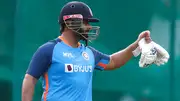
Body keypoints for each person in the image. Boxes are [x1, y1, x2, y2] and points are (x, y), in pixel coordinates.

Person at [21, 1, 152, 101]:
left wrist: (137, 45)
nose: (89, 27)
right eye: (86, 22)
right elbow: (30, 79)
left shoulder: (89, 53)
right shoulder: (49, 50)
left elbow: (113, 61)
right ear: (70, 22)